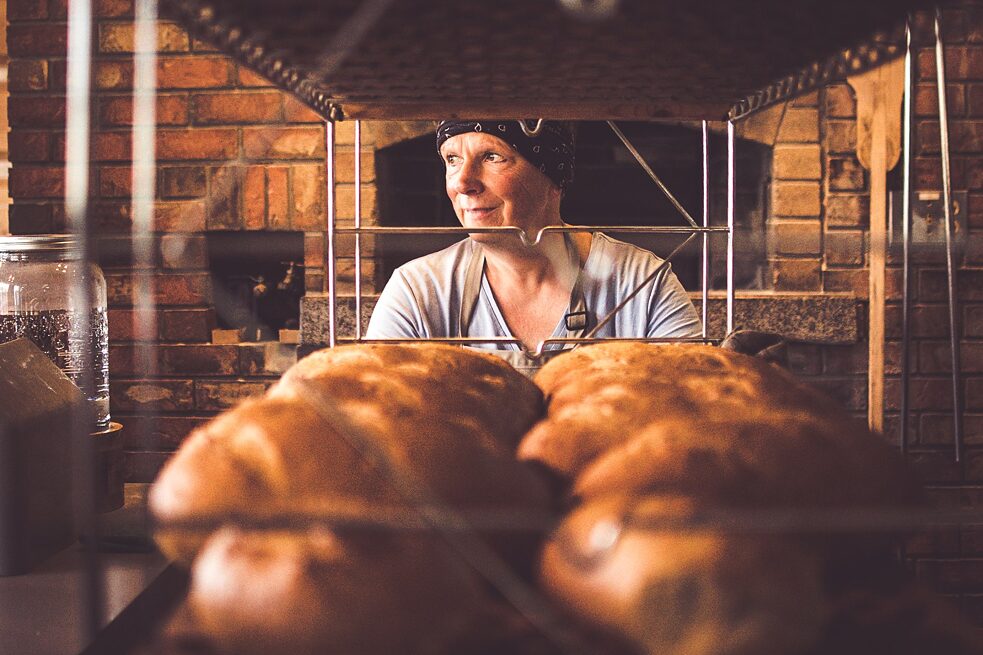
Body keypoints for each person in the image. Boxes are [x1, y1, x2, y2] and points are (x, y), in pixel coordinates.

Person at [366, 119, 702, 369]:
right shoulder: (417, 290)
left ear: (552, 180)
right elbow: (374, 412)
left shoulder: (642, 283)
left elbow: (694, 407)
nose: (462, 183)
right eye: (452, 159)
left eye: (492, 157)